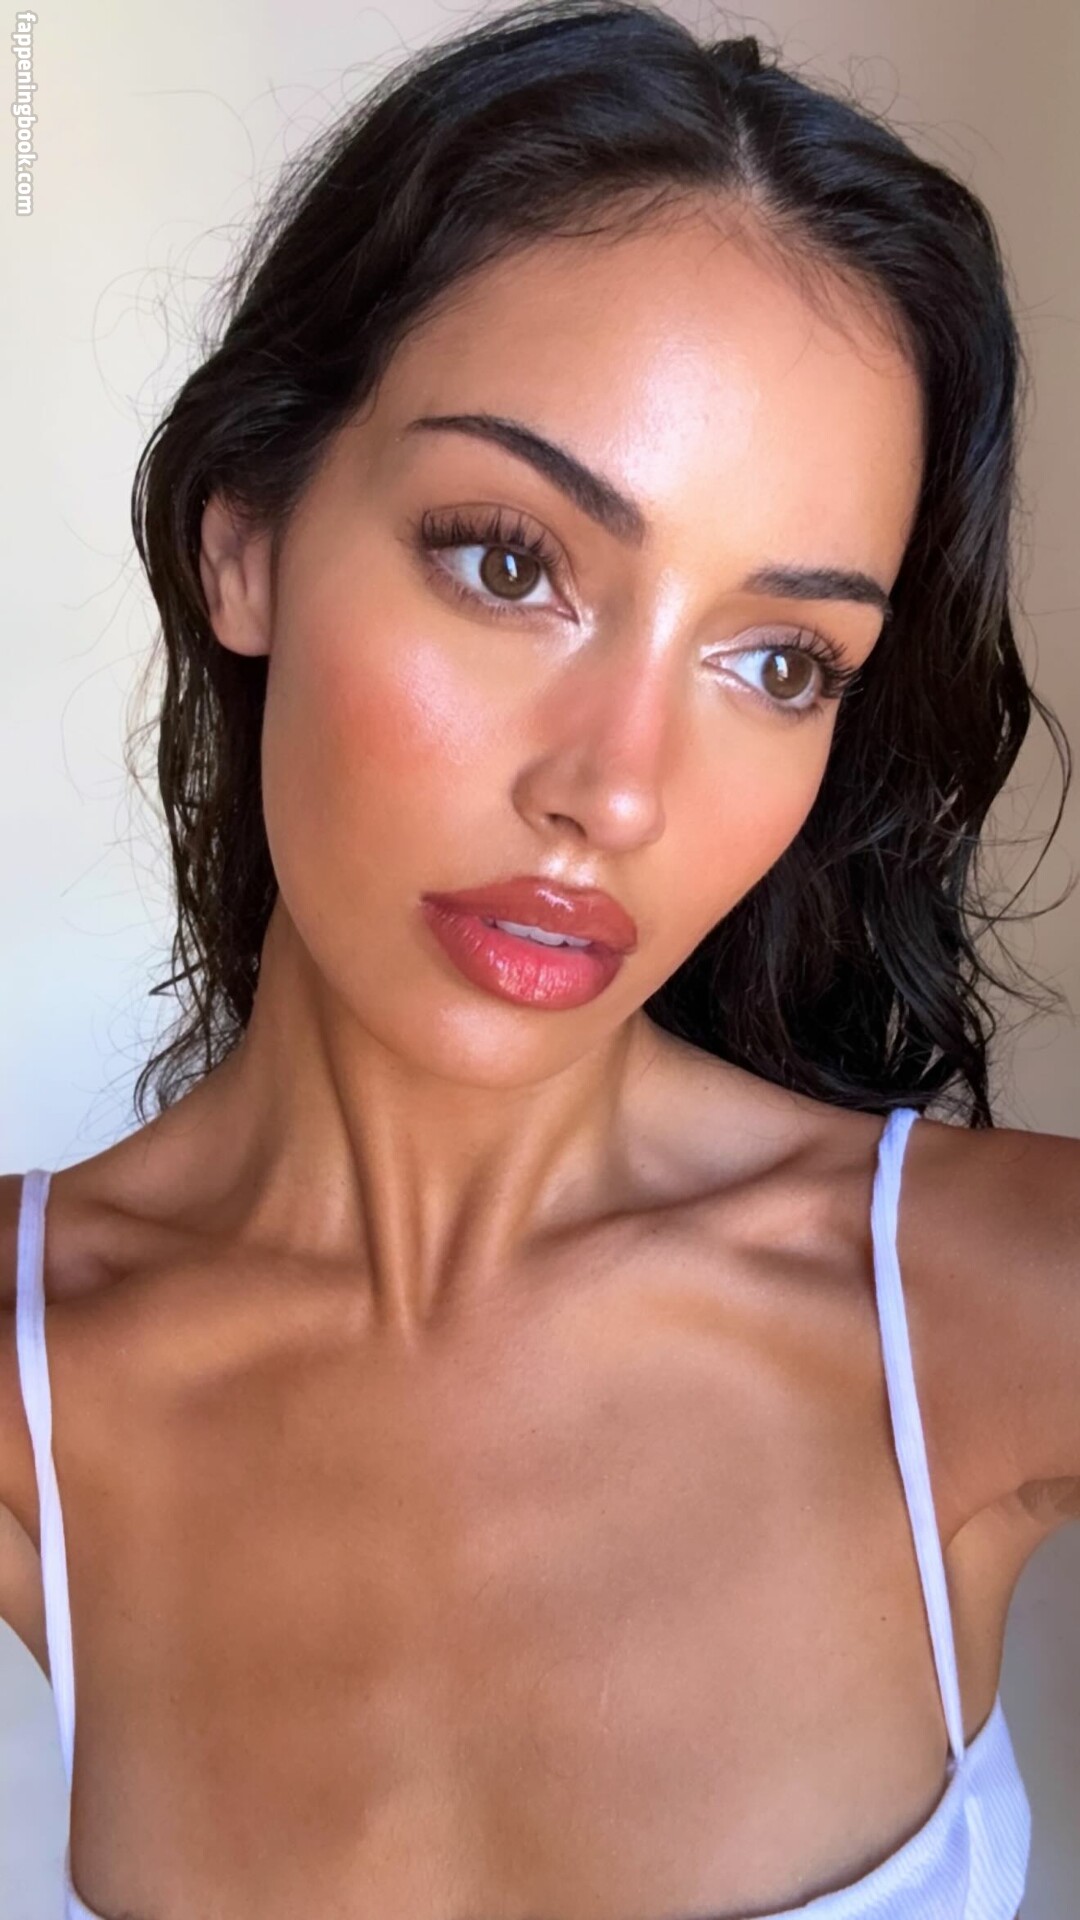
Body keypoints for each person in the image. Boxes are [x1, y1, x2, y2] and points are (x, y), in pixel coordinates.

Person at [2, 3, 1076, 1916]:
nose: (618, 790)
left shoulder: (995, 1303)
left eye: (778, 660)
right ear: (246, 537)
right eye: (510, 562)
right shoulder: (31, 1381)